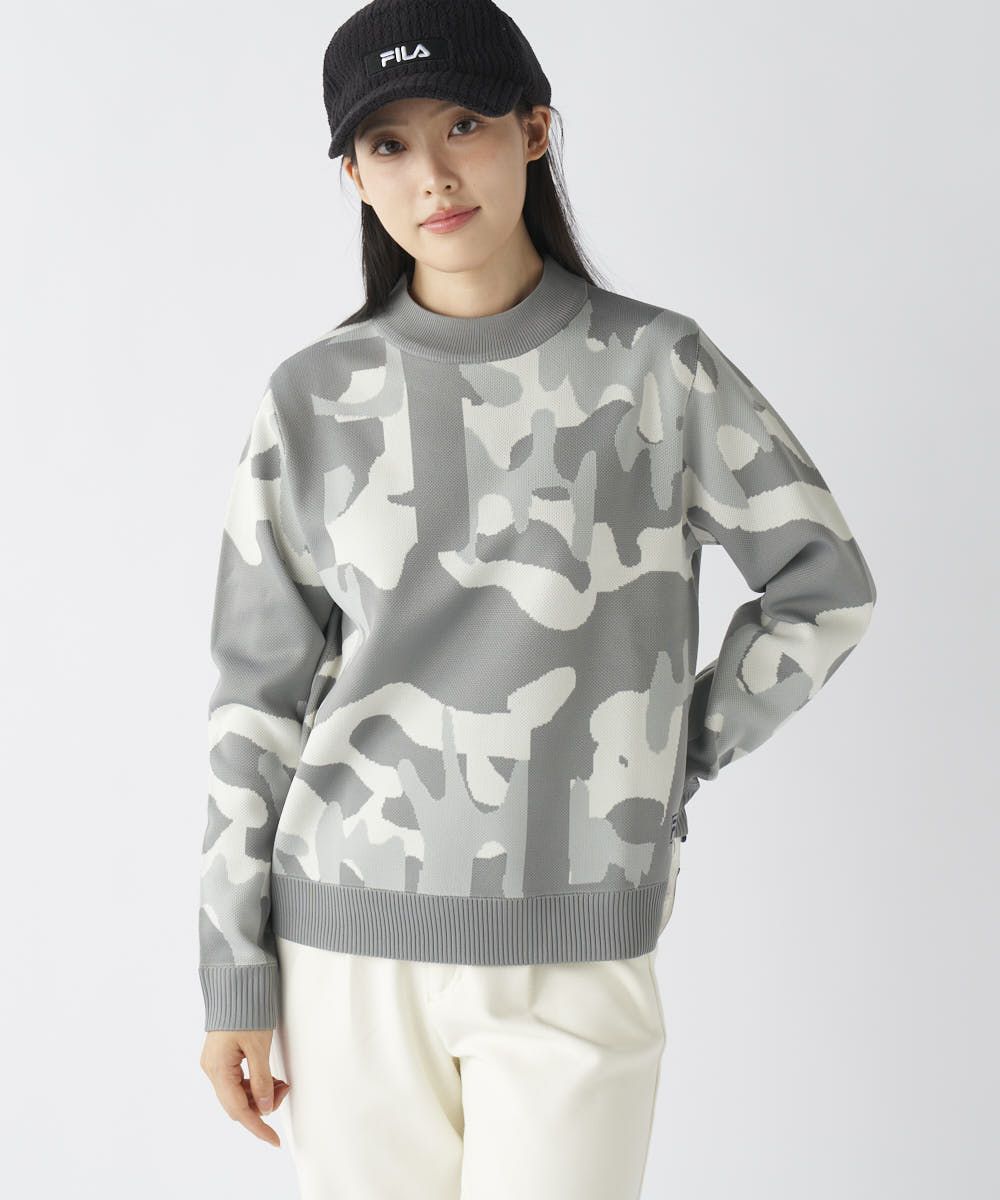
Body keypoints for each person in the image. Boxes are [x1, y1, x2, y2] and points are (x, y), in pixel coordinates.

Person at [197, 1, 878, 1196]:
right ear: (354, 175)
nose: (433, 173)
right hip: (344, 944)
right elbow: (255, 703)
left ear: (533, 129)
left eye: (463, 123)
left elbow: (821, 588)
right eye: (390, 144)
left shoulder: (659, 369)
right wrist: (231, 974)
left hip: (576, 943)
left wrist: (666, 753)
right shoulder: (310, 399)